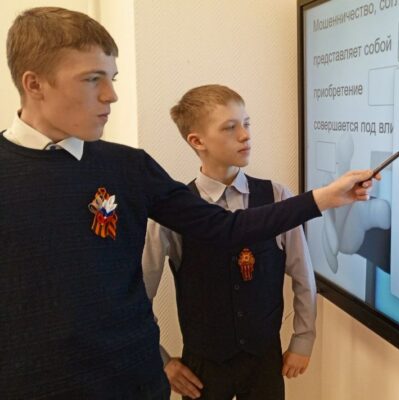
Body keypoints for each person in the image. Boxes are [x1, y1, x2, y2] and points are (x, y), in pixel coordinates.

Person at [0, 7, 375, 399]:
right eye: (93, 79)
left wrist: (325, 197)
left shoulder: (129, 167)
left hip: (135, 387)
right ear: (35, 84)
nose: (111, 94)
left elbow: (225, 227)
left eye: (112, 78)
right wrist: (167, 359)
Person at [143, 85, 317, 399]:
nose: (245, 135)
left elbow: (303, 275)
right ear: (197, 141)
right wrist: (160, 359)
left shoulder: (277, 196)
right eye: (230, 127)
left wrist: (303, 338)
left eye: (246, 123)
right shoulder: (173, 210)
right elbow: (139, 293)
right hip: (203, 367)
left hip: (264, 359)